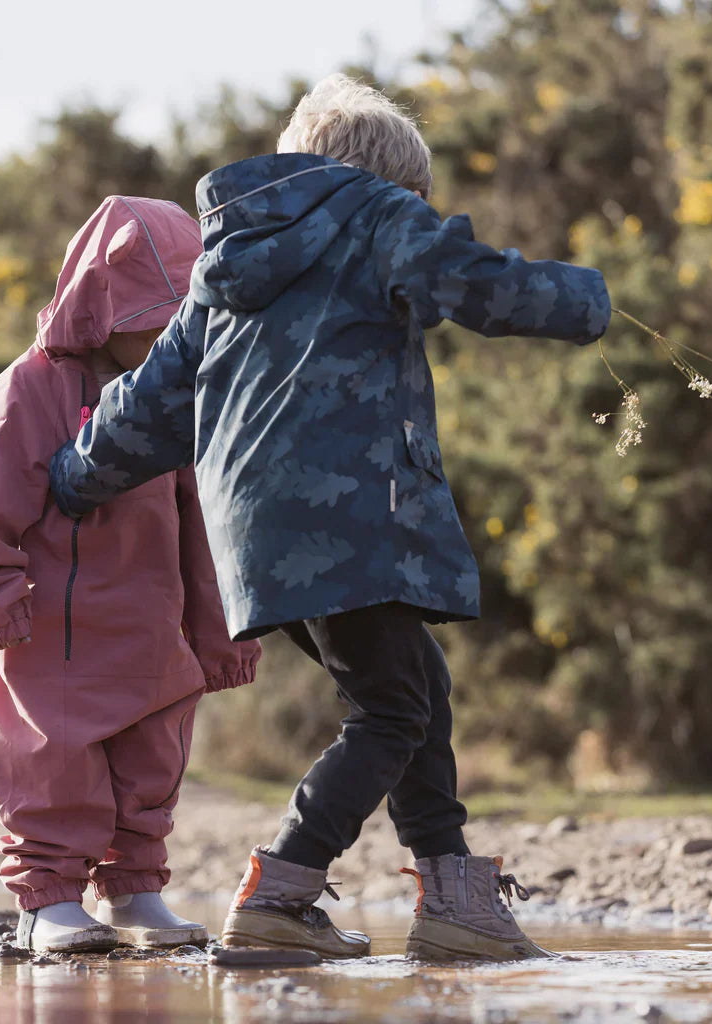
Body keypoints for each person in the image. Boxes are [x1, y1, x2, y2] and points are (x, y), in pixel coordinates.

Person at [49, 75, 611, 962]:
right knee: (392, 709)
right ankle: (282, 889)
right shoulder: (379, 217)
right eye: (420, 198)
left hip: (258, 534)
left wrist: (72, 475)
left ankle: (453, 893)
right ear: (390, 181)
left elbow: (153, 403)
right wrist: (590, 302)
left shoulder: (222, 265)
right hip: (356, 516)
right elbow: (473, 281)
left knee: (413, 689)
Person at [0, 196, 261, 955]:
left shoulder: (175, 402)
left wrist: (221, 636)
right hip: (51, 632)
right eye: (152, 322)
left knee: (152, 759)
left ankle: (135, 890)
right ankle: (49, 899)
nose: (167, 340)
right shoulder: (28, 390)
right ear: (100, 310)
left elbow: (202, 525)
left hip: (152, 628)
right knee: (51, 760)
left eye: (182, 322)